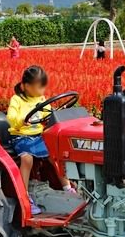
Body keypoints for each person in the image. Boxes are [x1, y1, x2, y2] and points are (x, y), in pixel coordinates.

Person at [7, 66, 75, 215]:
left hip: (38, 136)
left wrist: (55, 115)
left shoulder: (42, 99)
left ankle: (68, 188)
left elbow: (48, 112)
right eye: (39, 88)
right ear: (25, 86)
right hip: (21, 136)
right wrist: (20, 120)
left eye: (43, 88)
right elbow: (11, 117)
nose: (42, 91)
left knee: (56, 156)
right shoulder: (17, 99)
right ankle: (24, 197)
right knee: (27, 159)